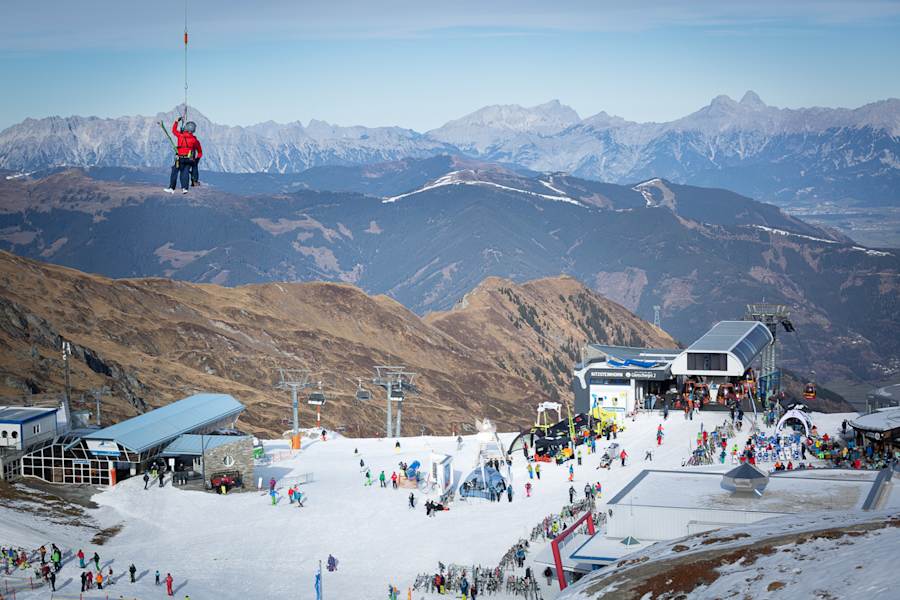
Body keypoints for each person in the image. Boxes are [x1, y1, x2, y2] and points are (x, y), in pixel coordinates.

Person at [164, 118, 203, 194]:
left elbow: (174, 131)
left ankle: (172, 188)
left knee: (174, 171)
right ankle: (185, 188)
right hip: (189, 159)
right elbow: (200, 152)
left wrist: (176, 121)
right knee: (185, 172)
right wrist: (196, 160)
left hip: (180, 158)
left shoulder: (180, 136)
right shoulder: (195, 140)